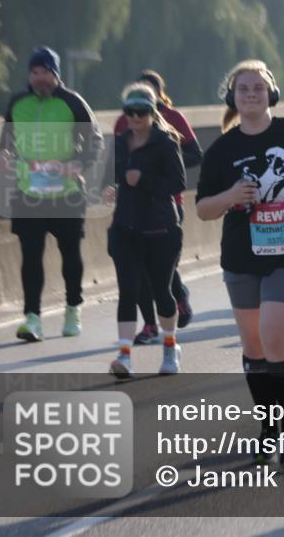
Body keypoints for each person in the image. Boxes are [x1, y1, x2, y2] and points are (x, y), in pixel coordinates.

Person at [196, 59, 284, 466]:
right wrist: (230, 198)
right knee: (254, 346)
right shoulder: (223, 149)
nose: (251, 94)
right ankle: (268, 427)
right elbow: (204, 209)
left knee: (275, 336)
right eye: (243, 89)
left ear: (271, 92)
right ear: (232, 97)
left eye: (258, 88)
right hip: (243, 255)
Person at [0, 46, 105, 343]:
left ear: (55, 74)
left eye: (44, 72)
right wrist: (3, 155)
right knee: (31, 257)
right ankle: (32, 318)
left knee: (70, 254)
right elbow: (6, 139)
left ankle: (72, 309)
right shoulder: (18, 102)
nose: (39, 78)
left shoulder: (72, 102)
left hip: (66, 193)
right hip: (28, 192)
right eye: (34, 73)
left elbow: (95, 139)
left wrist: (79, 164)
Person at [113, 70, 203, 343]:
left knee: (160, 271)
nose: (136, 115)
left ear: (157, 98)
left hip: (166, 208)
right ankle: (149, 325)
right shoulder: (121, 127)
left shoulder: (173, 122)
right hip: (131, 212)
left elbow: (194, 156)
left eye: (143, 105)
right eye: (131, 108)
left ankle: (177, 298)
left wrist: (154, 170)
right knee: (138, 273)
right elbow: (119, 169)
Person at [107, 84, 186, 378]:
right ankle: (124, 357)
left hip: (161, 230)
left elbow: (177, 183)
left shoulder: (165, 143)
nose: (135, 117)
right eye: (129, 111)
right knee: (128, 291)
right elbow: (115, 176)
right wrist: (110, 187)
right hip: (125, 229)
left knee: (161, 292)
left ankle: (170, 347)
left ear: (152, 112)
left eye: (141, 111)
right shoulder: (119, 142)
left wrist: (145, 179)